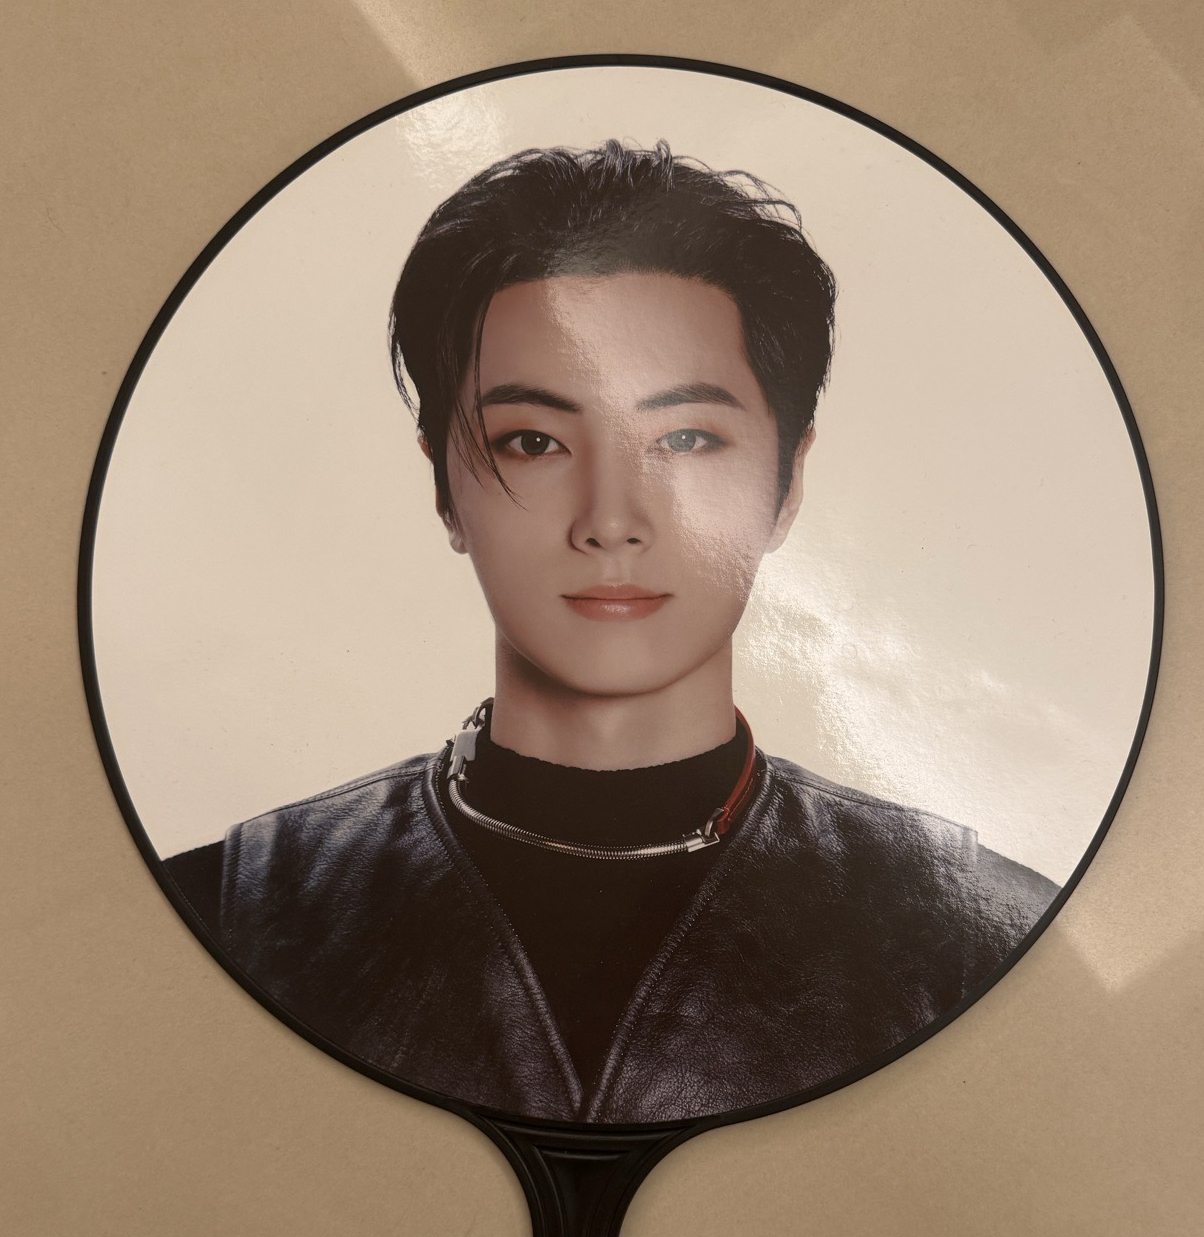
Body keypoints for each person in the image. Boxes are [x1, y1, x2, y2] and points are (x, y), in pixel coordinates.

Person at [166, 139, 1057, 1127]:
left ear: (787, 482)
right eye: (533, 441)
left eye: (685, 438)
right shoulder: (229, 911)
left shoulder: (981, 934)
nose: (611, 520)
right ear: (443, 486)